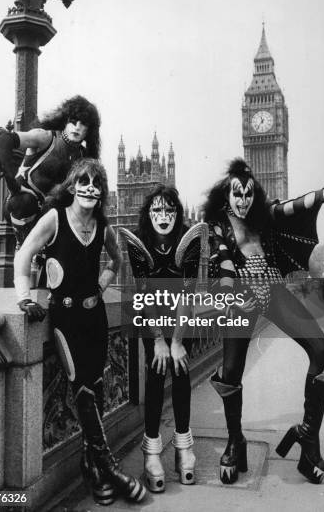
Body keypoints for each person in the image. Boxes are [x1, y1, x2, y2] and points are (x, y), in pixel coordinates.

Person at [204, 158, 324, 486]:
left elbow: (295, 206)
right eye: (236, 195)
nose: (242, 201)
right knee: (230, 372)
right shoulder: (219, 225)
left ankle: (307, 438)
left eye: (247, 194)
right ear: (226, 196)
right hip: (241, 298)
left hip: (273, 289)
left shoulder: (265, 216)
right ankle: (235, 442)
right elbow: (223, 260)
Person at [13, 158, 145, 505]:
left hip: (96, 316)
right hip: (66, 319)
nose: (89, 187)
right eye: (83, 181)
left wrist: (102, 285)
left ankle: (91, 469)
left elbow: (117, 261)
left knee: (97, 389)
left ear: (102, 191)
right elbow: (24, 254)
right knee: (84, 391)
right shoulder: (55, 219)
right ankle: (110, 467)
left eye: (96, 183)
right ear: (72, 186)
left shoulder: (104, 227)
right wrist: (25, 298)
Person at [125, 186, 200, 493]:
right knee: (156, 376)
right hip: (151, 316)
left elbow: (187, 291)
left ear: (177, 213)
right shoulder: (138, 241)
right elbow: (143, 292)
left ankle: (184, 447)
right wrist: (159, 340)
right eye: (157, 210)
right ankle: (151, 452)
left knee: (181, 375)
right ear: (148, 213)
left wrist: (177, 341)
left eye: (170, 210)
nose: (164, 216)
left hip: (182, 318)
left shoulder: (190, 239)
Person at [0, 95, 101, 247]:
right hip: (21, 203)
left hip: (51, 210)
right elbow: (4, 141)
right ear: (65, 120)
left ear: (90, 130)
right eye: (73, 121)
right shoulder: (45, 137)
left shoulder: (83, 156)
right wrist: (12, 183)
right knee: (26, 202)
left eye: (83, 124)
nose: (77, 127)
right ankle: (25, 247)